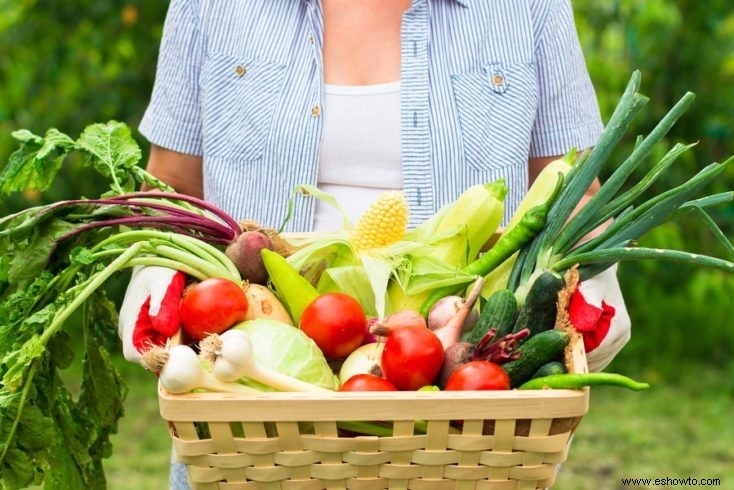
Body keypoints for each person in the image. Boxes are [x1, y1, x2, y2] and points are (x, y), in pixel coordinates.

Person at [119, 1, 631, 488]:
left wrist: (591, 273)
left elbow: (573, 185)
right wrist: (157, 277)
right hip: (246, 417)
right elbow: (173, 182)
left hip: (463, 421)